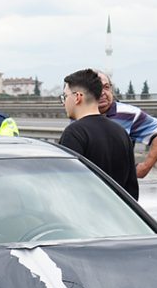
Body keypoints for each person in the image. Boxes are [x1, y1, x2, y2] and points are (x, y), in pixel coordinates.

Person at [59, 68, 139, 199]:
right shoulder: (121, 132)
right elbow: (131, 187)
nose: (64, 103)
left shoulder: (74, 133)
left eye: (65, 96)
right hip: (119, 214)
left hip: (89, 214)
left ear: (77, 97)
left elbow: (67, 185)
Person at [96, 71, 157, 187]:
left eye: (106, 87)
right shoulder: (78, 115)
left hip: (120, 188)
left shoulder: (128, 114)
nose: (102, 93)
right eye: (97, 88)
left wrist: (145, 167)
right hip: (90, 186)